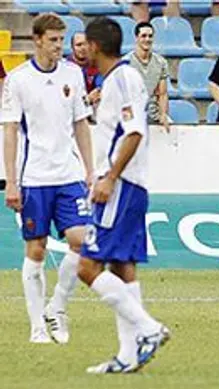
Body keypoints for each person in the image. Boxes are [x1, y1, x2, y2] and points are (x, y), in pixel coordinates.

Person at [78, 17, 170, 373]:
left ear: (97, 46)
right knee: (122, 266)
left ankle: (149, 328)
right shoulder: (118, 79)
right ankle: (128, 355)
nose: (82, 49)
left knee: (88, 267)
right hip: (128, 185)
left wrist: (109, 177)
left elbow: (133, 133)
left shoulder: (121, 79)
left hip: (121, 186)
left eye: (86, 43)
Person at [1, 13, 94, 344]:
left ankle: (57, 306)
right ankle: (37, 327)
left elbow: (81, 123)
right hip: (34, 178)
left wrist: (89, 169)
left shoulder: (73, 73)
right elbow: (10, 131)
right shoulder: (18, 79)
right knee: (36, 250)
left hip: (68, 175)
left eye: (61, 40)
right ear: (38, 39)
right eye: (53, 40)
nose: (59, 46)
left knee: (82, 241)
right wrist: (11, 181)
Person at [124, 22, 170, 130]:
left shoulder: (161, 62)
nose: (147, 39)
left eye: (150, 36)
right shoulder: (126, 62)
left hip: (153, 113)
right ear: (136, 38)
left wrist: (163, 114)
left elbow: (162, 93)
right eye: (143, 36)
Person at [67, 32, 101, 105]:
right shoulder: (66, 68)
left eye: (86, 44)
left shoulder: (97, 64)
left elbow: (100, 88)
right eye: (79, 45)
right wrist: (87, 99)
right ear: (72, 48)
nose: (83, 48)